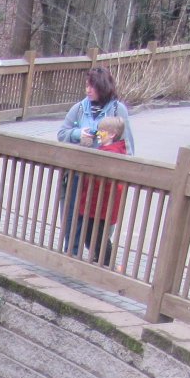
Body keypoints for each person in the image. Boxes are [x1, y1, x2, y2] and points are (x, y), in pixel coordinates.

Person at [56, 66, 134, 252]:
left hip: (102, 179)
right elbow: (62, 133)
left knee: (97, 228)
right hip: (77, 174)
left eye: (92, 86)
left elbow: (127, 145)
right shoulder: (80, 108)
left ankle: (103, 262)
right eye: (87, 86)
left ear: (103, 87)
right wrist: (77, 134)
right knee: (72, 218)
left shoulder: (117, 109)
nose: (88, 90)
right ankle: (71, 256)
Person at [69, 115, 128, 265]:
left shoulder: (113, 152)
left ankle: (106, 261)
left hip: (102, 203)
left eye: (102, 131)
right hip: (94, 201)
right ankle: (100, 258)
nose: (98, 134)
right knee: (90, 233)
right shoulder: (105, 149)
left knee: (97, 234)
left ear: (112, 134)